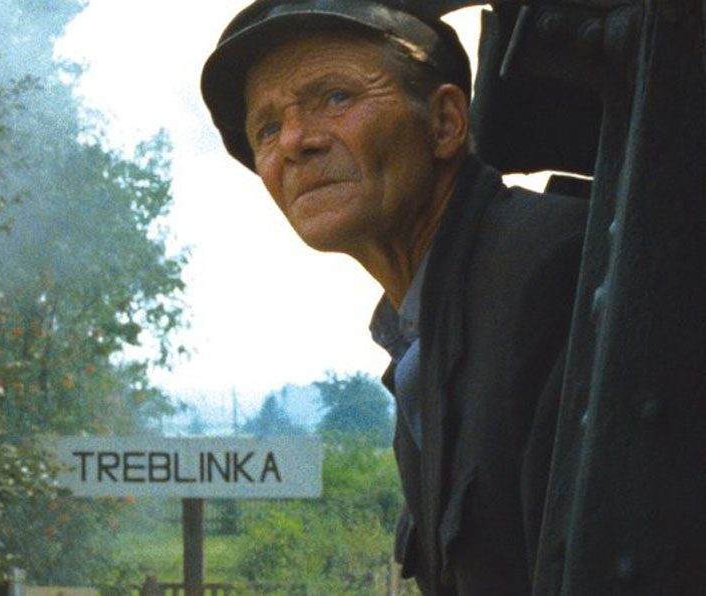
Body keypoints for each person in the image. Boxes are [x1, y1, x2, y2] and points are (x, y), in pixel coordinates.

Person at [200, 1, 588, 593]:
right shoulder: (422, 336)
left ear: (445, 123)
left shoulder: (551, 274)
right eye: (268, 128)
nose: (295, 144)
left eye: (335, 98)